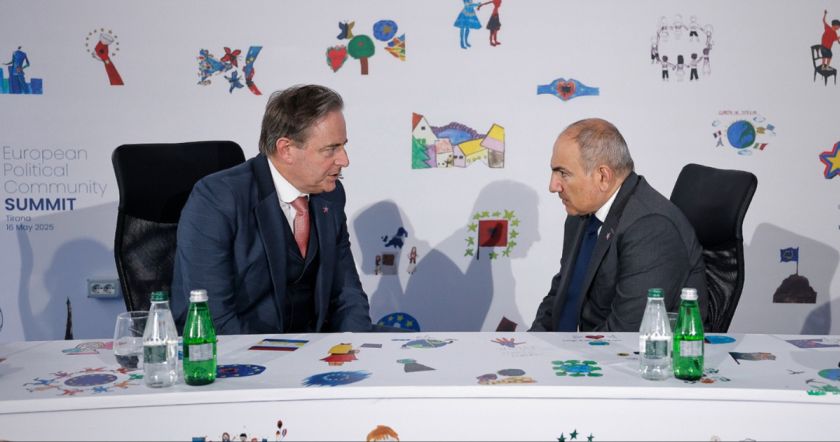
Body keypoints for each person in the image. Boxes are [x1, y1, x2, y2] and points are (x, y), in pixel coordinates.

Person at [171, 84, 373, 334]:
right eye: (330, 149)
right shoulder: (217, 199)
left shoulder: (330, 195)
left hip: (315, 346)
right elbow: (213, 317)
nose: (344, 160)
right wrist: (275, 356)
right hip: (242, 347)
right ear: (286, 149)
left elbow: (347, 294)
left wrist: (356, 346)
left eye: (343, 146)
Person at [530, 118, 707, 332]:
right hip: (577, 346)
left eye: (563, 173)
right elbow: (561, 294)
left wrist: (567, 353)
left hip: (621, 351)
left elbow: (626, 333)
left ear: (603, 177)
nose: (553, 186)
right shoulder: (579, 215)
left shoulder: (651, 228)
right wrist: (533, 342)